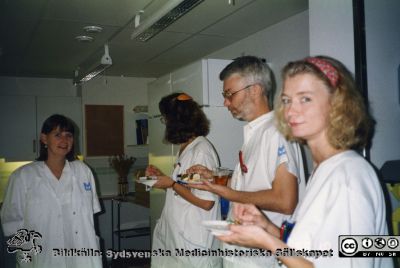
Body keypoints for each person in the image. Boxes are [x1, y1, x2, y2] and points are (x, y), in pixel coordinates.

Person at [217, 56, 393, 268]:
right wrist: (266, 227)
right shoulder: (325, 170)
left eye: (305, 99)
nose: (290, 110)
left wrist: (267, 241)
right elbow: (313, 253)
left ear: (337, 103)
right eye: (286, 100)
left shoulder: (349, 177)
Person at [187, 55, 306, 268]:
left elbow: (286, 201)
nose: (225, 102)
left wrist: (228, 193)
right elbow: (252, 183)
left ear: (255, 90)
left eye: (229, 94)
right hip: (240, 255)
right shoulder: (254, 134)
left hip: (262, 260)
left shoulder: (278, 133)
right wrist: (214, 177)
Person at [1, 114, 102, 268]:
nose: (64, 140)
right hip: (42, 258)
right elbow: (11, 222)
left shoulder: (83, 171)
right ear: (44, 138)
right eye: (57, 134)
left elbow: (90, 218)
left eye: (69, 135)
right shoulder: (23, 176)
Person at [146, 92, 222, 268]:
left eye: (165, 118)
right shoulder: (188, 148)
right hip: (177, 238)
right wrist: (164, 180)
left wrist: (171, 183)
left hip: (193, 242)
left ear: (175, 120)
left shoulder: (200, 151)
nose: (165, 123)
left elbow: (206, 202)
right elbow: (185, 188)